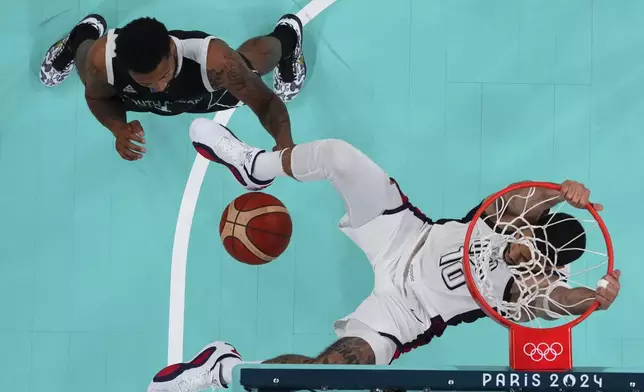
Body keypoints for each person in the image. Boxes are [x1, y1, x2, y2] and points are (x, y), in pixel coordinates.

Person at [145, 119, 622, 392]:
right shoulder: (504, 217)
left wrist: (600, 297)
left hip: (406, 315)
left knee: (330, 374)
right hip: (401, 232)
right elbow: (527, 199)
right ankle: (254, 166)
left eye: (535, 255)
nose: (524, 251)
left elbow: (566, 301)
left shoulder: (528, 292)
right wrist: (564, 193)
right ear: (532, 228)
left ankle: (221, 369)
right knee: (337, 155)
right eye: (531, 237)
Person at [40, 14, 305, 161]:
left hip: (205, 92)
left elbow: (266, 102)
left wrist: (284, 143)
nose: (158, 87)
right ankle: (82, 34)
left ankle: (288, 37)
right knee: (87, 67)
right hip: (133, 97)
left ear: (170, 48)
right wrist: (118, 127)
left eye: (163, 75)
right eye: (147, 81)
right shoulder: (104, 61)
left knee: (251, 64)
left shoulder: (215, 63)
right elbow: (97, 99)